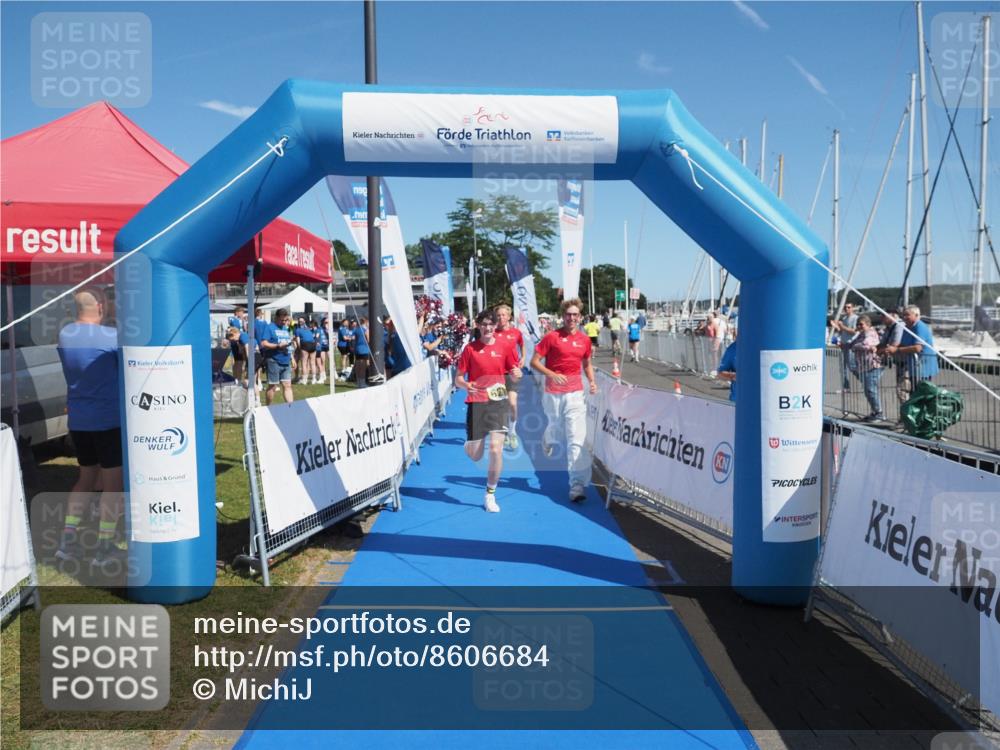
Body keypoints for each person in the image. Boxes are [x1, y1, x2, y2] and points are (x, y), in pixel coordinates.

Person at [55, 289, 124, 570]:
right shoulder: (112, 337)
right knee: (113, 487)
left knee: (85, 479)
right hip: (107, 420)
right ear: (100, 305)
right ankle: (104, 547)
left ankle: (66, 543)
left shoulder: (64, 335)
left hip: (79, 421)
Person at [531, 298, 597, 503]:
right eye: (568, 314)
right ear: (563, 316)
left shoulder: (585, 340)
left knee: (576, 439)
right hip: (553, 393)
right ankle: (548, 437)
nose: (572, 318)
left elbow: (586, 364)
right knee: (556, 429)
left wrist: (592, 382)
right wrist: (551, 374)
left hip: (575, 393)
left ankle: (576, 485)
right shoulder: (552, 337)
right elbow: (534, 362)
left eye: (575, 314)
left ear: (580, 317)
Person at [456, 310, 522, 513]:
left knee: (495, 449)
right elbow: (457, 378)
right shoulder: (470, 349)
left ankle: (490, 494)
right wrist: (466, 384)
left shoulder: (505, 346)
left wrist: (517, 373)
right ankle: (471, 444)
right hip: (477, 401)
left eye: (491, 324)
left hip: (498, 400)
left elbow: (514, 371)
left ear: (495, 326)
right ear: (478, 325)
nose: (488, 327)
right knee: (476, 455)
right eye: (484, 324)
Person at [886, 305, 938, 401]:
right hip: (913, 365)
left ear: (916, 315)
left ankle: (921, 414)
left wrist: (897, 350)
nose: (904, 317)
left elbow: (918, 348)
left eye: (907, 315)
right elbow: (903, 343)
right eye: (903, 315)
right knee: (914, 391)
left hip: (923, 366)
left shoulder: (920, 327)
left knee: (921, 393)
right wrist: (892, 348)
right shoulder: (907, 327)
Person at [493, 304, 525, 451]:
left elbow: (522, 344)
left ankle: (512, 432)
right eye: (498, 315)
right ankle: (504, 431)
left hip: (512, 372)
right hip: (496, 374)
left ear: (509, 316)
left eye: (504, 315)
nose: (501, 318)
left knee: (512, 403)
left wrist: (523, 357)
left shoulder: (516, 333)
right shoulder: (491, 333)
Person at [848, 315, 884, 421]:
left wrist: (856, 346)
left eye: (861, 324)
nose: (859, 326)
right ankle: (875, 411)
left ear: (868, 324)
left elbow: (866, 345)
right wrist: (856, 346)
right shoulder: (861, 334)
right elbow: (854, 344)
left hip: (874, 365)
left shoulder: (871, 333)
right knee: (868, 390)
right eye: (858, 324)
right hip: (864, 366)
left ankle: (879, 413)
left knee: (870, 389)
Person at [261, 308, 294, 405]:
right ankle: (268, 407)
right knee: (273, 386)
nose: (284, 322)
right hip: (273, 360)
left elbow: (288, 343)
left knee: (287, 385)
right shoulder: (270, 327)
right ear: (276, 318)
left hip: (286, 360)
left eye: (286, 320)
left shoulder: (286, 328)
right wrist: (277, 346)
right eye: (282, 320)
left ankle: (291, 408)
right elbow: (264, 343)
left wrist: (292, 358)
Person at [877, 308, 908, 407]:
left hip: (906, 363)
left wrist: (880, 350)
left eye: (884, 315)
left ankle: (907, 416)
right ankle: (905, 415)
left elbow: (894, 344)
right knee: (900, 390)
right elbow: (883, 343)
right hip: (899, 362)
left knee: (902, 389)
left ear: (894, 315)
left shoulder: (899, 326)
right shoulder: (889, 327)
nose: (881, 318)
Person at [831, 303, 859, 391]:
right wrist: (837, 327)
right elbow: (842, 332)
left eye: (849, 307)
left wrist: (842, 326)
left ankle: (864, 380)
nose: (846, 309)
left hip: (851, 345)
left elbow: (854, 331)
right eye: (845, 307)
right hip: (844, 344)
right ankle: (846, 387)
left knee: (851, 366)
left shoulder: (855, 318)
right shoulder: (844, 318)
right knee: (843, 368)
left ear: (853, 308)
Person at [293, 317, 316, 385]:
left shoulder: (298, 330)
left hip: (305, 345)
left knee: (304, 363)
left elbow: (298, 340)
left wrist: (300, 349)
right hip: (312, 344)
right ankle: (314, 379)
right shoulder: (308, 329)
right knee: (312, 363)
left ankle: (304, 379)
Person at [353, 316, 372, 387]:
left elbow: (355, 339)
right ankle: (363, 382)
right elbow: (369, 340)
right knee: (363, 367)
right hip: (364, 349)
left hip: (357, 349)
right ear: (366, 322)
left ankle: (359, 382)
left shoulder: (357, 329)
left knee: (358, 366)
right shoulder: (365, 329)